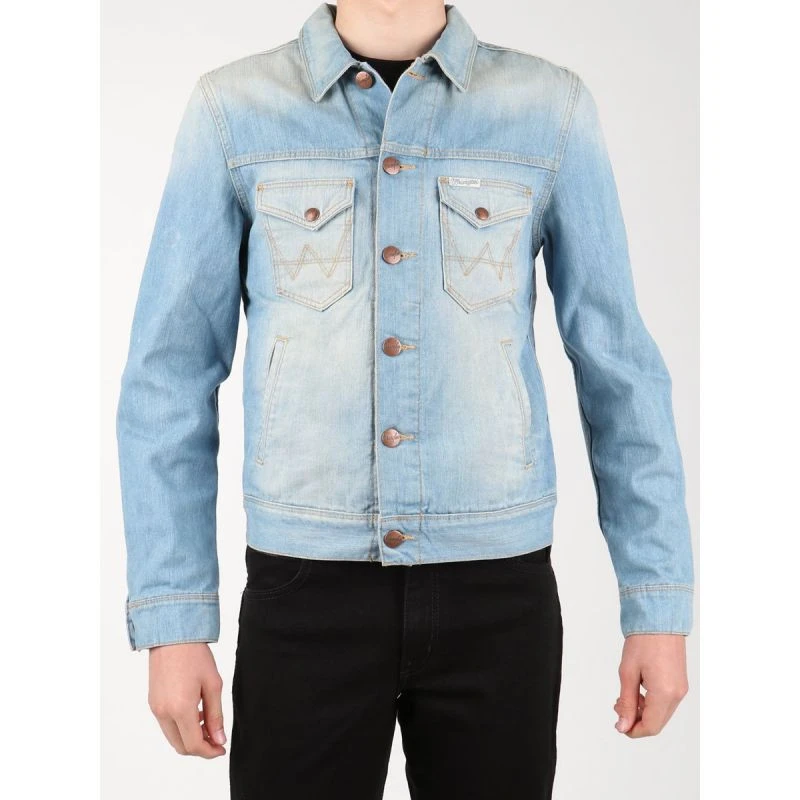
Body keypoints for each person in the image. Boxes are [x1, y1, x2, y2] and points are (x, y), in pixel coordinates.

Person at [115, 2, 694, 797]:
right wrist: (174, 621)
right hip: (303, 592)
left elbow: (619, 368)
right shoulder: (233, 110)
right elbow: (169, 376)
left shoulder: (549, 110)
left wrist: (656, 603)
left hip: (498, 596)